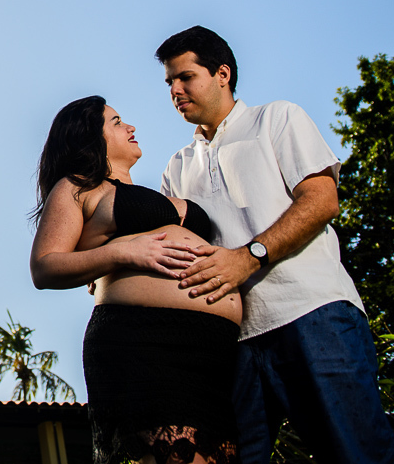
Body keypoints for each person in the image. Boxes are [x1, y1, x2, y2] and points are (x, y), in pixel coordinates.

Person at [155, 26, 394, 464]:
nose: (175, 90)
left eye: (185, 77)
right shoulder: (176, 167)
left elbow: (322, 200)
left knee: (357, 453)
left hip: (312, 313)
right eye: (169, 82)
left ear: (222, 74)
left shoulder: (277, 118)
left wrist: (249, 257)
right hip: (231, 341)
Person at [30, 95, 242, 464]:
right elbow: (44, 267)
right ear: (89, 136)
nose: (130, 127)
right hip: (146, 343)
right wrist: (123, 253)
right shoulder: (78, 187)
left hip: (215, 352)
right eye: (116, 122)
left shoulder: (160, 192)